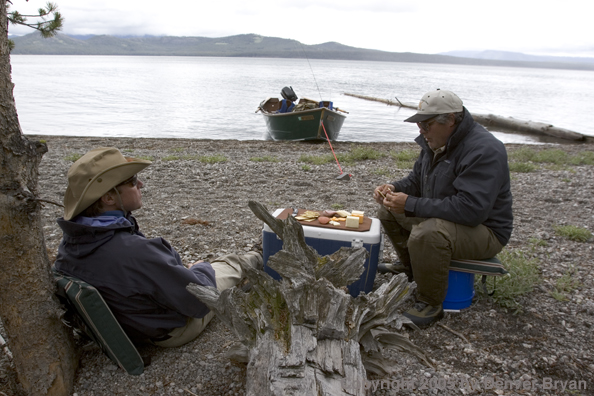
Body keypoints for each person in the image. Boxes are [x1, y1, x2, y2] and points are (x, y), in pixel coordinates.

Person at [53, 147, 262, 347]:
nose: (141, 184)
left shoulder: (73, 243)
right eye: (132, 181)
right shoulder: (133, 251)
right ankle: (258, 255)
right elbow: (198, 301)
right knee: (223, 266)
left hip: (133, 324)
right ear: (108, 197)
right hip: (171, 330)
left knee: (197, 271)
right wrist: (199, 269)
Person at [373, 89, 513, 328]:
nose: (421, 130)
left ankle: (430, 304)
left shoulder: (484, 149)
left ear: (450, 120)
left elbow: (471, 210)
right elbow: (416, 181)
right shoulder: (436, 141)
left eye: (426, 125)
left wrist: (410, 204)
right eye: (419, 124)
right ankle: (411, 268)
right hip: (450, 220)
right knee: (388, 210)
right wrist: (394, 188)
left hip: (485, 230)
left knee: (428, 233)